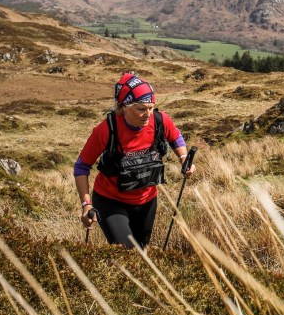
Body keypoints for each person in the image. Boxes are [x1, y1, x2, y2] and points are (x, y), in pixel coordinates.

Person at [74, 72, 194, 248]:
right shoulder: (107, 130)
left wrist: (184, 158)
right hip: (110, 201)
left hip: (147, 202)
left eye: (151, 107)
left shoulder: (159, 120)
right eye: (141, 109)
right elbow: (81, 167)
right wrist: (86, 205)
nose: (148, 114)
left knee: (141, 255)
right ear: (124, 107)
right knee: (127, 251)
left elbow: (175, 137)